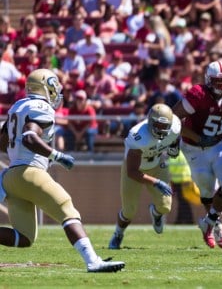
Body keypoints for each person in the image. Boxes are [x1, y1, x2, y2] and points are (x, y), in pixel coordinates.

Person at [0, 68, 124, 272]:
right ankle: (93, 261)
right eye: (53, 87)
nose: (56, 92)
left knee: (24, 237)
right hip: (30, 173)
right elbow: (30, 137)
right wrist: (55, 155)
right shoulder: (41, 107)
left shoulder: (17, 106)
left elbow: (3, 143)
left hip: (12, 177)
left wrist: (19, 150)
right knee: (68, 210)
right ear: (45, 88)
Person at [172, 60, 222, 249]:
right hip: (193, 147)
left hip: (218, 144)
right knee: (206, 190)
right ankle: (216, 225)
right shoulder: (198, 95)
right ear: (208, 80)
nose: (221, 86)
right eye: (217, 82)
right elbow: (174, 120)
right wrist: (197, 138)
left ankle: (210, 222)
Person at [108, 103, 182, 249]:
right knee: (129, 211)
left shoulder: (175, 126)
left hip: (158, 164)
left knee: (165, 206)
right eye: (158, 126)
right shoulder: (139, 136)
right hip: (136, 170)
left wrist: (175, 146)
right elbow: (132, 171)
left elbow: (175, 136)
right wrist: (156, 182)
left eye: (164, 126)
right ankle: (118, 234)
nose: (161, 130)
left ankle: (156, 213)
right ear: (150, 122)